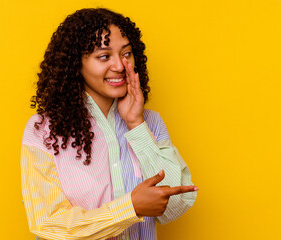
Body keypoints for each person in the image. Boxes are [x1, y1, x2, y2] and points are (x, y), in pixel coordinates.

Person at [21, 8, 198, 240]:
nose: (119, 65)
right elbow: (49, 223)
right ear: (77, 64)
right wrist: (129, 208)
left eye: (126, 54)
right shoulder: (44, 130)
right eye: (104, 57)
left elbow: (176, 205)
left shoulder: (150, 123)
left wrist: (136, 124)